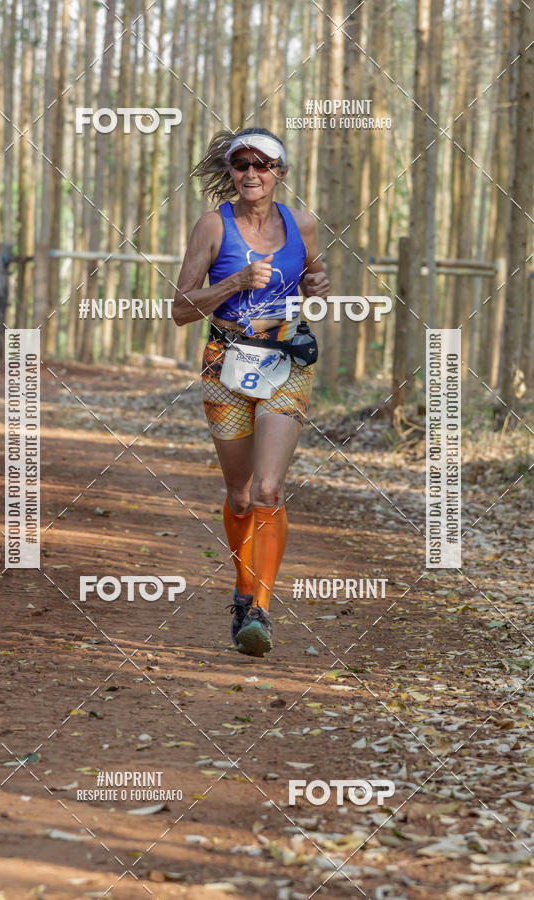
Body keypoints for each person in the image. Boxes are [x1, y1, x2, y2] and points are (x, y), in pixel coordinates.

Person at [173, 127, 329, 657]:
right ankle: (242, 596)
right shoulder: (213, 226)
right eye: (241, 164)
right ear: (232, 172)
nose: (251, 174)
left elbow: (313, 272)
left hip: (287, 358)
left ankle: (260, 610)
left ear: (279, 173)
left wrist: (317, 283)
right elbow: (180, 309)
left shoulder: (301, 223)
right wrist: (235, 283)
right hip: (225, 361)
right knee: (240, 494)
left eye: (263, 165)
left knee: (268, 489)